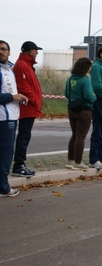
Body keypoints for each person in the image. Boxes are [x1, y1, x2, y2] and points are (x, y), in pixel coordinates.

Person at [0, 40, 28, 197]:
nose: (1, 52)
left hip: (11, 115)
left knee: (5, 154)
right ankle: (4, 188)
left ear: (9, 52)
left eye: (4, 49)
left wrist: (19, 97)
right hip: (4, 118)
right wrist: (13, 96)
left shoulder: (10, 69)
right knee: (5, 154)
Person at [11, 41, 43, 178]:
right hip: (27, 107)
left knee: (25, 135)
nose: (37, 53)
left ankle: (19, 164)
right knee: (23, 136)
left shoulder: (26, 65)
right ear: (31, 51)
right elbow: (24, 87)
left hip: (29, 106)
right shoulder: (22, 65)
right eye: (36, 50)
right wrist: (35, 101)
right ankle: (18, 165)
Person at [64, 58, 96, 169]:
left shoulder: (70, 79)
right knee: (81, 137)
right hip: (84, 110)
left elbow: (66, 94)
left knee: (74, 135)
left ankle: (70, 160)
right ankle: (78, 162)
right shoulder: (85, 80)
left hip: (71, 109)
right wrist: (94, 98)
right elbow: (88, 96)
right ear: (86, 67)